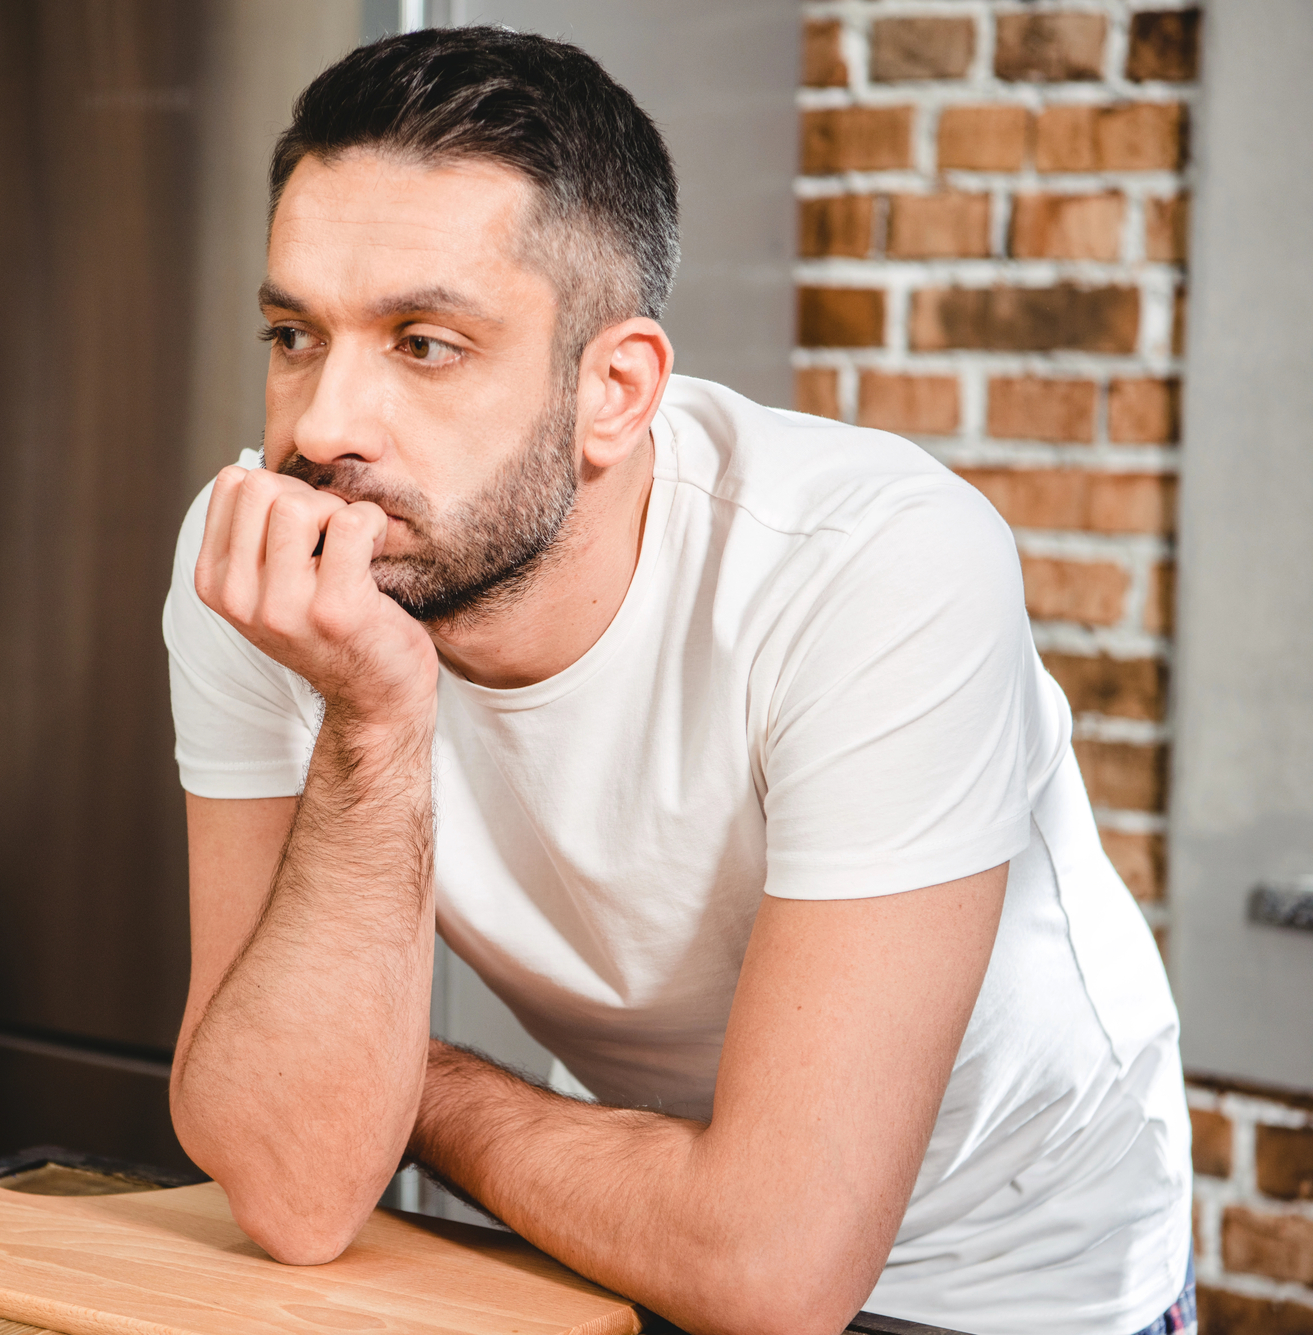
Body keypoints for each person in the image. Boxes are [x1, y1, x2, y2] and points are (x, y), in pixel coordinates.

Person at [161, 27, 1190, 1335]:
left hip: (1015, 1275)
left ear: (616, 391)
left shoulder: (878, 569)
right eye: (294, 333)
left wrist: (400, 1090)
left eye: (424, 344)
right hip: (629, 1221)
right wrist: (373, 721)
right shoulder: (262, 562)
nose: (317, 429)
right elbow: (298, 1190)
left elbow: (774, 1271)